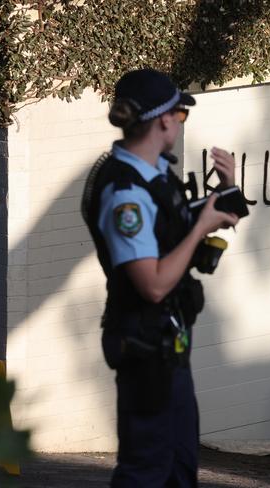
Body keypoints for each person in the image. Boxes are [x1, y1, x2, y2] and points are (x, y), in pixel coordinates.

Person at [81, 68, 239, 487]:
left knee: (179, 466)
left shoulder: (156, 178)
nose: (180, 123)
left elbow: (181, 229)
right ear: (165, 120)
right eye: (180, 115)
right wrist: (200, 229)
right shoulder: (125, 194)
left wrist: (228, 189)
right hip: (143, 345)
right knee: (147, 470)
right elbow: (151, 284)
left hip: (168, 343)